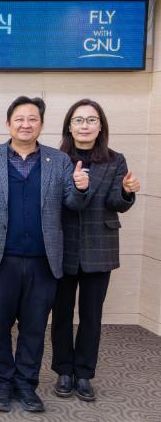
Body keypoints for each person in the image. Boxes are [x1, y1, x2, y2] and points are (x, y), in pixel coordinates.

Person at [0, 96, 90, 413]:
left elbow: (73, 204)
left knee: (34, 328)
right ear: (8, 123)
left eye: (32, 119)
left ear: (41, 124)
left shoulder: (58, 161)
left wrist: (80, 188)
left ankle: (26, 385)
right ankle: (2, 384)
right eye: (19, 118)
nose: (25, 124)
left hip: (43, 261)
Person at [51, 99, 139, 401]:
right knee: (61, 313)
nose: (85, 126)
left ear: (100, 126)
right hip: (63, 246)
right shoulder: (56, 159)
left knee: (91, 315)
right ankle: (64, 370)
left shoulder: (115, 160)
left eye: (91, 120)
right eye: (78, 120)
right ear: (69, 126)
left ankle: (84, 373)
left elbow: (116, 203)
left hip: (100, 246)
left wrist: (126, 192)